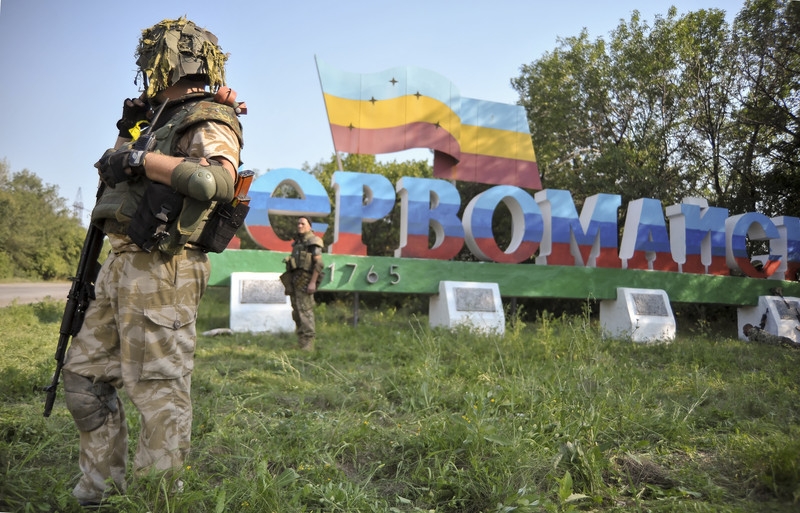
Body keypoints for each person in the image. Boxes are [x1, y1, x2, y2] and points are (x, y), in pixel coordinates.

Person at [61, 17, 244, 508]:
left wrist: (141, 161)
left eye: (150, 60)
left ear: (170, 59)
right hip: (121, 262)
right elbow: (115, 174)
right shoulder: (157, 118)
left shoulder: (205, 117)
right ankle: (99, 489)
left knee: (159, 394)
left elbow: (217, 183)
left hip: (166, 267)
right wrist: (129, 134)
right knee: (82, 379)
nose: (145, 70)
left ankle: (157, 501)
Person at [284, 216, 324, 350]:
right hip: (295, 280)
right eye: (298, 223)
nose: (299, 225)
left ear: (309, 226)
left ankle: (308, 344)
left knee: (305, 311)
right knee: (296, 312)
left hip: (306, 281)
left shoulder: (313, 241)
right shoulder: (297, 243)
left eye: (302, 223)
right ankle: (301, 342)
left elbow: (319, 263)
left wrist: (313, 283)